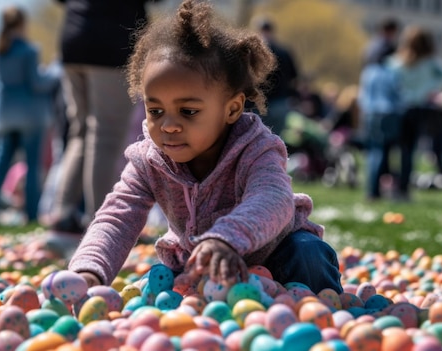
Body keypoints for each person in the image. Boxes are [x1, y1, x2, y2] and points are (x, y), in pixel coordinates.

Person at [68, 0, 343, 294]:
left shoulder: (256, 148)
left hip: (276, 258)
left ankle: (320, 310)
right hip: (203, 266)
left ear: (232, 108)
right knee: (160, 284)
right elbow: (117, 217)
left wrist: (225, 239)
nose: (168, 126)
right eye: (156, 111)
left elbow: (273, 199)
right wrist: (89, 272)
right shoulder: (149, 160)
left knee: (309, 253)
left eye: (188, 111)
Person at [45, 0, 161, 237]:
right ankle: (102, 223)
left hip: (74, 39)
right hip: (111, 43)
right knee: (105, 135)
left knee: (81, 132)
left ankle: (62, 214)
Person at [0, 6, 59, 224]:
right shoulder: (29, 50)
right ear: (22, 23)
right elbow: (37, 83)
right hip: (29, 116)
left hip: (3, 114)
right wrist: (54, 71)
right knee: (32, 165)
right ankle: (31, 215)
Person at [388, 26, 442, 201]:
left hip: (399, 108)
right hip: (420, 109)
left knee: (395, 149)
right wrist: (431, 89)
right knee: (410, 150)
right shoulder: (431, 64)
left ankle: (391, 184)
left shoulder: (396, 62)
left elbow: (387, 76)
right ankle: (404, 187)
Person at [358, 44, 402, 201]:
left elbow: (361, 97)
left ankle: (372, 189)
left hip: (370, 114)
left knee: (373, 151)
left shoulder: (368, 72)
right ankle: (377, 190)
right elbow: (398, 94)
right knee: (384, 152)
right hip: (388, 113)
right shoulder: (392, 72)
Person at [255, 17, 299, 135]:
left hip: (258, 103)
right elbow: (294, 78)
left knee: (255, 139)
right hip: (280, 102)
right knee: (275, 139)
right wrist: (292, 95)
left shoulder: (255, 51)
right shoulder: (284, 52)